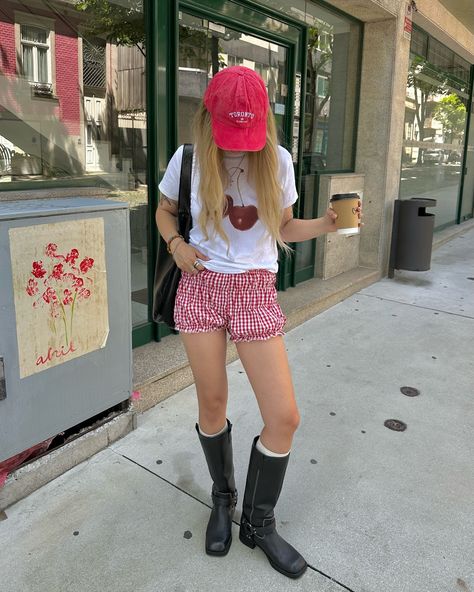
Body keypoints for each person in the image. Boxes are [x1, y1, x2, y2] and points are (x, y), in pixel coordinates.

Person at [156, 66, 361, 579]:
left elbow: (283, 224)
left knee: (284, 416)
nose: (239, 148)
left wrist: (328, 225)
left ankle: (259, 521)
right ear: (208, 116)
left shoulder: (279, 159)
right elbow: (164, 211)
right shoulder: (188, 159)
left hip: (254, 291)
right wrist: (177, 244)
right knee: (213, 402)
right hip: (201, 285)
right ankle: (222, 502)